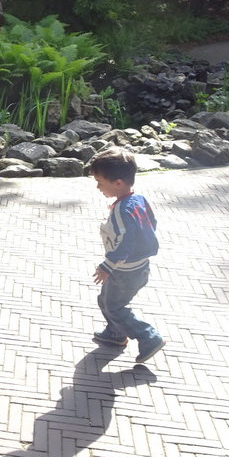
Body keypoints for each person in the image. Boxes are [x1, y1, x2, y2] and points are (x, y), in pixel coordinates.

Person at [87, 148, 166, 364]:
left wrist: (107, 266)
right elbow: (152, 223)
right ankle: (116, 333)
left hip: (125, 271)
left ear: (118, 183)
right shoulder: (138, 199)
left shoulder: (122, 209)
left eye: (100, 182)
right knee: (105, 300)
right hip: (137, 267)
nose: (98, 187)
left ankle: (149, 336)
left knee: (114, 306)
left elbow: (127, 242)